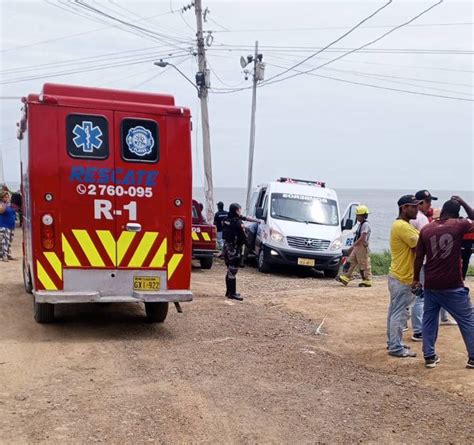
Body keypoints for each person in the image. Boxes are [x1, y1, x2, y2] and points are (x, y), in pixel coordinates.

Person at [413, 197, 474, 369]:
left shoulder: (426, 229)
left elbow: (418, 257)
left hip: (431, 283)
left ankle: (429, 356)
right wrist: (462, 201)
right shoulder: (458, 224)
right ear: (456, 213)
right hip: (452, 283)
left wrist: (416, 279)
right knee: (467, 319)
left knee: (429, 320)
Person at [386, 195, 420, 358]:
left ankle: (393, 342)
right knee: (399, 313)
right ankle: (395, 347)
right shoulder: (402, 226)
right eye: (413, 206)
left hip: (397, 274)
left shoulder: (404, 225)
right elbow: (420, 244)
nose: (417, 209)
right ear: (403, 208)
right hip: (403, 276)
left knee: (394, 311)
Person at [337, 205, 372, 287]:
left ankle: (367, 280)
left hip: (362, 247)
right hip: (357, 247)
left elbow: (363, 237)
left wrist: (353, 246)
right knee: (350, 261)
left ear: (362, 215)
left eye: (358, 215)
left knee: (363, 264)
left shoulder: (365, 225)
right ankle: (345, 277)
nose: (357, 217)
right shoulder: (361, 224)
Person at [222, 203, 247, 301]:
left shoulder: (226, 220)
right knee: (233, 270)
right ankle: (232, 293)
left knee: (229, 269)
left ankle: (228, 292)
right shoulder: (238, 222)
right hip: (234, 248)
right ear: (236, 211)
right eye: (239, 210)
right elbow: (243, 236)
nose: (240, 211)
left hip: (227, 247)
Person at [0, 191, 16, 262]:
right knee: (5, 241)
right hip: (4, 225)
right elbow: (1, 211)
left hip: (11, 226)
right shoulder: (1, 204)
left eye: (8, 197)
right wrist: (6, 204)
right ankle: (4, 256)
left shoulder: (11, 205)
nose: (7, 198)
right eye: (5, 197)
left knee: (9, 241)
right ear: (2, 198)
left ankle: (7, 254)